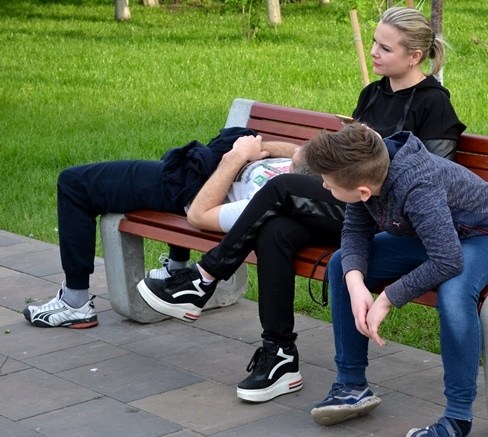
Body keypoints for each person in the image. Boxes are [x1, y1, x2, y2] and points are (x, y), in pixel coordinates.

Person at [137, 6, 466, 405]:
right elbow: (346, 159)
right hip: (355, 207)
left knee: (282, 190)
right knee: (275, 230)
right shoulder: (373, 94)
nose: (373, 52)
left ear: (414, 56)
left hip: (393, 219)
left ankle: (204, 277)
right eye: (374, 43)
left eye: (385, 47)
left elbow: (430, 179)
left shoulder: (435, 104)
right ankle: (279, 354)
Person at [302, 124, 488, 437]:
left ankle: (457, 419)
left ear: (362, 191)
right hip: (435, 237)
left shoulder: (417, 185)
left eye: (328, 182)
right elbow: (355, 232)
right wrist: (356, 284)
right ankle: (351, 386)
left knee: (454, 292)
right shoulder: (367, 168)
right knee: (342, 265)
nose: (324, 185)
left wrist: (387, 298)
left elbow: (448, 261)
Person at [22, 128, 292, 328]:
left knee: (74, 184)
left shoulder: (277, 199)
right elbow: (302, 152)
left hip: (199, 188)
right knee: (173, 168)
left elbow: (199, 213)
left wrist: (237, 156)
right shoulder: (310, 170)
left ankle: (75, 303)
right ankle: (176, 268)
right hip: (211, 170)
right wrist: (256, 148)